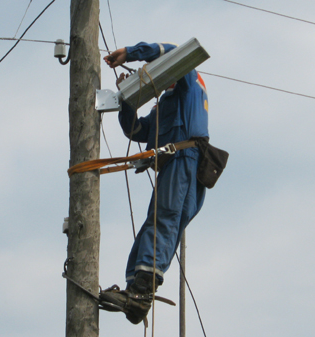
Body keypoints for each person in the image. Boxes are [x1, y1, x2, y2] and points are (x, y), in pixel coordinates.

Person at [99, 42, 209, 324]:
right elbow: (137, 130)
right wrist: (126, 101)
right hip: (174, 165)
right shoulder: (167, 101)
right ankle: (135, 293)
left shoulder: (188, 84)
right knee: (155, 224)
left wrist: (131, 52)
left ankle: (140, 294)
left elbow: (173, 52)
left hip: (186, 159)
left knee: (164, 221)